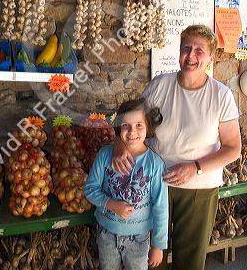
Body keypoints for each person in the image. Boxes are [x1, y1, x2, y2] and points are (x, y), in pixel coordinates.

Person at [112, 24, 241, 270]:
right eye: (186, 48)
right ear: (179, 51)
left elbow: (233, 147)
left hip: (199, 191)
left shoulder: (221, 95)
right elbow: (131, 122)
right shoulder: (160, 86)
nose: (191, 56)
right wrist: (119, 144)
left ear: (211, 58)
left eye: (199, 50)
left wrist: (196, 168)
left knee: (189, 261)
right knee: (152, 257)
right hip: (153, 184)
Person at [84, 98, 168, 270]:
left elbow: (160, 206)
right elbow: (90, 189)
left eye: (139, 125)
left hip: (139, 239)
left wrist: (158, 245)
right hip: (107, 234)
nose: (132, 132)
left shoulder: (155, 164)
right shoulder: (105, 155)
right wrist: (111, 204)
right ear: (118, 127)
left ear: (148, 128)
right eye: (125, 125)